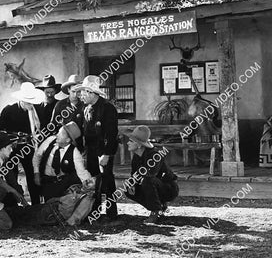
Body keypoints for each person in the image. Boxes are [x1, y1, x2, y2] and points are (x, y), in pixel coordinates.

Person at [74, 75, 119, 220]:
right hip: (90, 151)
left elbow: (112, 134)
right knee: (94, 182)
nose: (81, 95)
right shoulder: (86, 108)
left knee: (107, 181)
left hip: (103, 151)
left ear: (92, 93)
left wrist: (106, 154)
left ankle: (112, 214)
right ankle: (95, 212)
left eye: (84, 92)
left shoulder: (108, 108)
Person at [0, 82, 45, 204]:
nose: (30, 104)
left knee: (32, 174)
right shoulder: (9, 110)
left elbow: (43, 127)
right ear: (21, 100)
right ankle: (13, 204)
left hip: (30, 148)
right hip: (12, 150)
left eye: (32, 101)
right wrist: (11, 139)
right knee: (11, 176)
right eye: (28, 102)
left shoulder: (37, 109)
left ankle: (35, 205)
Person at [124, 125, 179, 224]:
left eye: (131, 141)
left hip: (168, 189)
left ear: (139, 145)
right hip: (153, 186)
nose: (128, 143)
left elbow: (150, 175)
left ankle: (155, 212)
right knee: (128, 186)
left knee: (147, 180)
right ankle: (160, 207)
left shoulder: (154, 156)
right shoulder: (136, 157)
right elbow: (134, 175)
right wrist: (131, 184)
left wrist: (138, 181)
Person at [33, 122, 91, 201]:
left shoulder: (74, 152)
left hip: (62, 184)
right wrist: (36, 173)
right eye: (58, 132)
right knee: (47, 206)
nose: (57, 135)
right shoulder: (50, 140)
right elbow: (37, 156)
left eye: (61, 134)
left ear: (67, 140)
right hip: (46, 181)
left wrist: (90, 185)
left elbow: (81, 172)